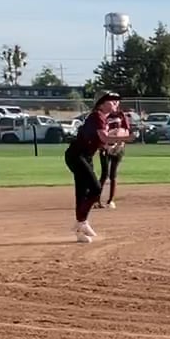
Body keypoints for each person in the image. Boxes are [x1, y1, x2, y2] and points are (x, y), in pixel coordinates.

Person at [66, 92, 130, 242]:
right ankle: (81, 222)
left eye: (117, 101)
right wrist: (126, 138)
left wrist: (110, 147)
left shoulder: (103, 119)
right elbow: (104, 137)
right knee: (95, 189)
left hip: (85, 156)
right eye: (112, 101)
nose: (116, 103)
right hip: (76, 155)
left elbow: (99, 141)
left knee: (82, 192)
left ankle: (80, 227)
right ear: (102, 104)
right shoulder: (96, 117)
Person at [98, 105, 131, 209]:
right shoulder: (102, 116)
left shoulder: (121, 115)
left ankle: (110, 200)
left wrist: (120, 142)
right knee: (104, 174)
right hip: (105, 147)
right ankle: (96, 200)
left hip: (118, 147)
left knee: (113, 174)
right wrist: (103, 146)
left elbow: (126, 130)